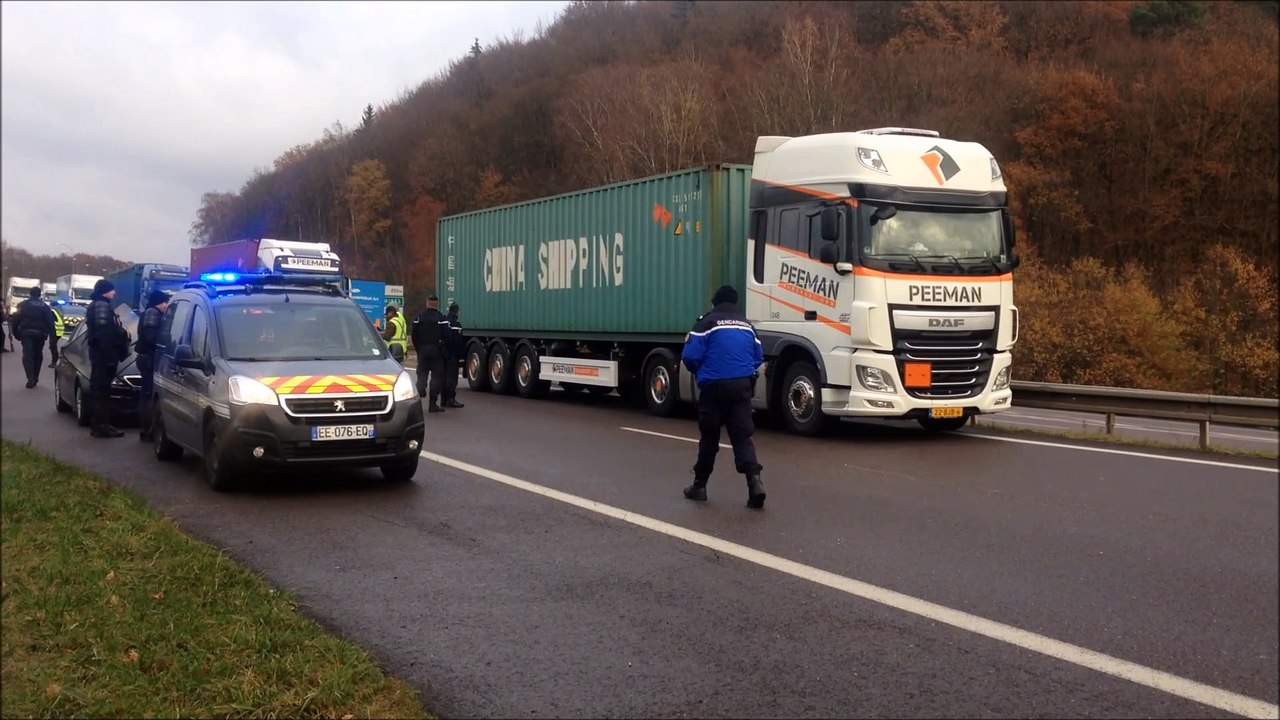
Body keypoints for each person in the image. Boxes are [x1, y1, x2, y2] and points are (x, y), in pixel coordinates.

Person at [679, 285, 766, 509]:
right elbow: (757, 358)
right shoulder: (747, 326)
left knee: (709, 438)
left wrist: (704, 370)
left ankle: (699, 487)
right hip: (741, 388)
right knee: (742, 437)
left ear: (715, 302)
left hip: (714, 389)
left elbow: (690, 357)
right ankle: (755, 484)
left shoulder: (706, 323)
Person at [84, 279, 130, 439]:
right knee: (101, 391)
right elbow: (104, 335)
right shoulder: (101, 306)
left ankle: (101, 425)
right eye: (112, 290)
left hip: (102, 356)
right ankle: (100, 426)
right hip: (103, 357)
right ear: (105, 291)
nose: (114, 292)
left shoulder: (100, 305)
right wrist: (110, 357)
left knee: (102, 391)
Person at [135, 290, 170, 442]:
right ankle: (147, 429)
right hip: (149, 360)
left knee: (148, 395)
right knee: (148, 396)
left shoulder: (150, 312)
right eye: (165, 302)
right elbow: (151, 338)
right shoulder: (152, 313)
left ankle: (148, 429)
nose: (166, 305)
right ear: (158, 302)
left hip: (147, 359)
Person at [411, 294, 449, 413]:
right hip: (436, 351)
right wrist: (443, 349)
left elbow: (413, 335)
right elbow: (446, 336)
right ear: (436, 304)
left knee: (422, 374)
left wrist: (418, 348)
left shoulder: (419, 317)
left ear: (427, 303)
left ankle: (420, 391)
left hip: (422, 350)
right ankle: (432, 404)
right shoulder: (441, 319)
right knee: (436, 377)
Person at [13, 287, 55, 388]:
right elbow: (50, 322)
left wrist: (16, 334)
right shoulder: (45, 307)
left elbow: (15, 320)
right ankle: (35, 376)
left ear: (30, 294)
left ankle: (30, 378)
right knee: (37, 355)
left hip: (26, 333)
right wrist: (52, 338)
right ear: (40, 295)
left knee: (28, 356)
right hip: (40, 334)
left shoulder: (23, 305)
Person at [441, 303, 466, 409]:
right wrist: (461, 355)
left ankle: (443, 400)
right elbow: (458, 341)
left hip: (443, 354)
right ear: (456, 311)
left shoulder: (443, 321)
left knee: (444, 377)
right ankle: (451, 399)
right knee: (452, 378)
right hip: (452, 355)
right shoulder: (456, 324)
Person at [48, 301, 66, 367]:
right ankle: (57, 360)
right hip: (60, 331)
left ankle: (55, 362)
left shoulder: (53, 311)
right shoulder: (60, 310)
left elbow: (50, 322)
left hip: (55, 331)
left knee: (53, 346)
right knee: (53, 346)